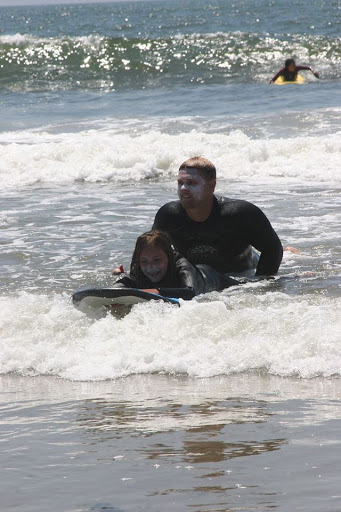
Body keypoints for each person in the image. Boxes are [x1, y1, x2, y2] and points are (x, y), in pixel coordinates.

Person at [152, 156, 283, 277]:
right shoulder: (169, 215)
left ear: (211, 186)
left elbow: (273, 249)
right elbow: (149, 251)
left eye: (191, 183)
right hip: (201, 276)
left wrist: (260, 285)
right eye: (180, 182)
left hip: (244, 272)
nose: (183, 188)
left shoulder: (239, 213)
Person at [112, 230, 239, 299]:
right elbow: (127, 283)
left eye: (157, 260)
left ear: (170, 257)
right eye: (144, 261)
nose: (151, 267)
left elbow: (189, 292)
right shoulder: (138, 267)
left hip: (213, 279)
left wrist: (150, 291)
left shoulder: (183, 266)